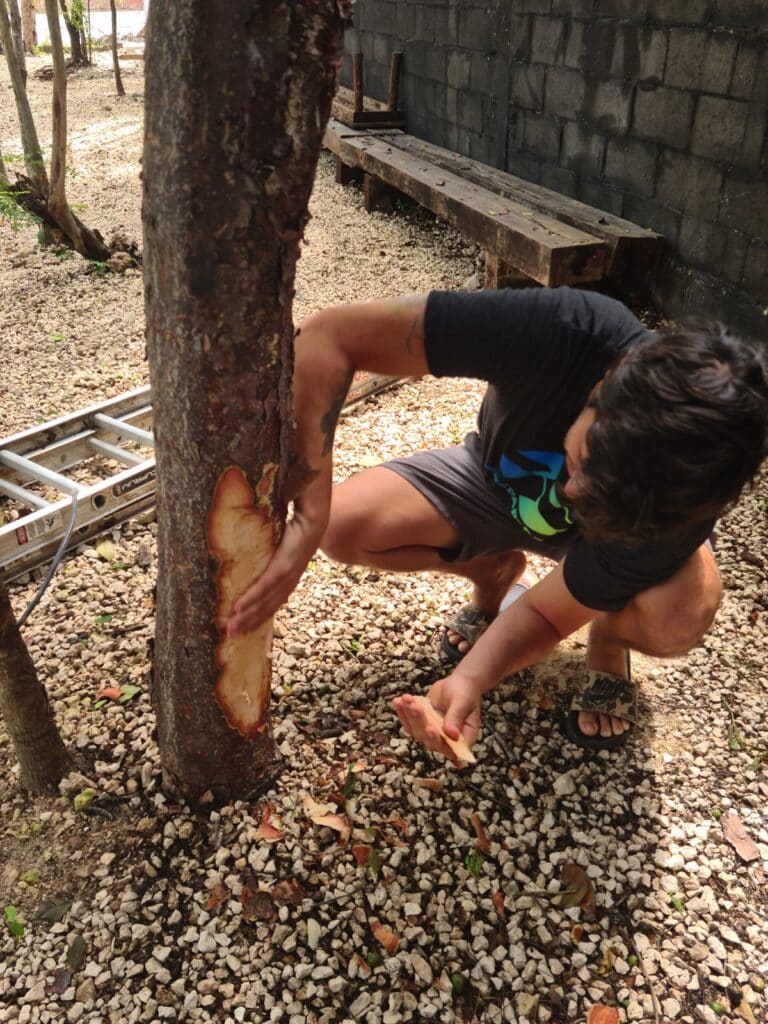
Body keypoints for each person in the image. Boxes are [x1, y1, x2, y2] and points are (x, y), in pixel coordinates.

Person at [227, 287, 768, 762]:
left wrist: (469, 682)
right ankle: (495, 572)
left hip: (608, 544)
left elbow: (547, 615)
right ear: (604, 385)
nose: (573, 493)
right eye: (582, 464)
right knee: (344, 527)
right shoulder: (562, 329)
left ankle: (609, 632)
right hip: (495, 484)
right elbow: (328, 336)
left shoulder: (674, 513)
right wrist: (310, 512)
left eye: (599, 495)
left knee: (680, 611)